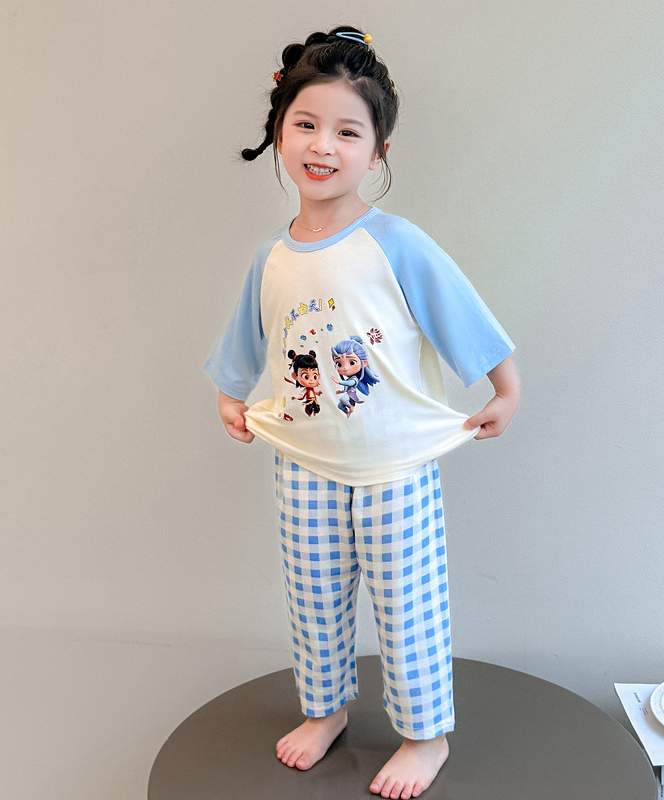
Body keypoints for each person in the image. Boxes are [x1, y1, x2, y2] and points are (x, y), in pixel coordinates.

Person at [206, 26, 520, 800]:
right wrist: (230, 394)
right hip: (304, 463)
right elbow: (247, 340)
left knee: (408, 605)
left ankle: (425, 734)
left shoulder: (396, 244)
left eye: (348, 132)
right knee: (313, 596)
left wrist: (505, 387)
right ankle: (325, 710)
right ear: (279, 132)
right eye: (306, 124)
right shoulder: (272, 258)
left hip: (394, 466)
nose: (324, 145)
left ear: (378, 152)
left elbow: (461, 315)